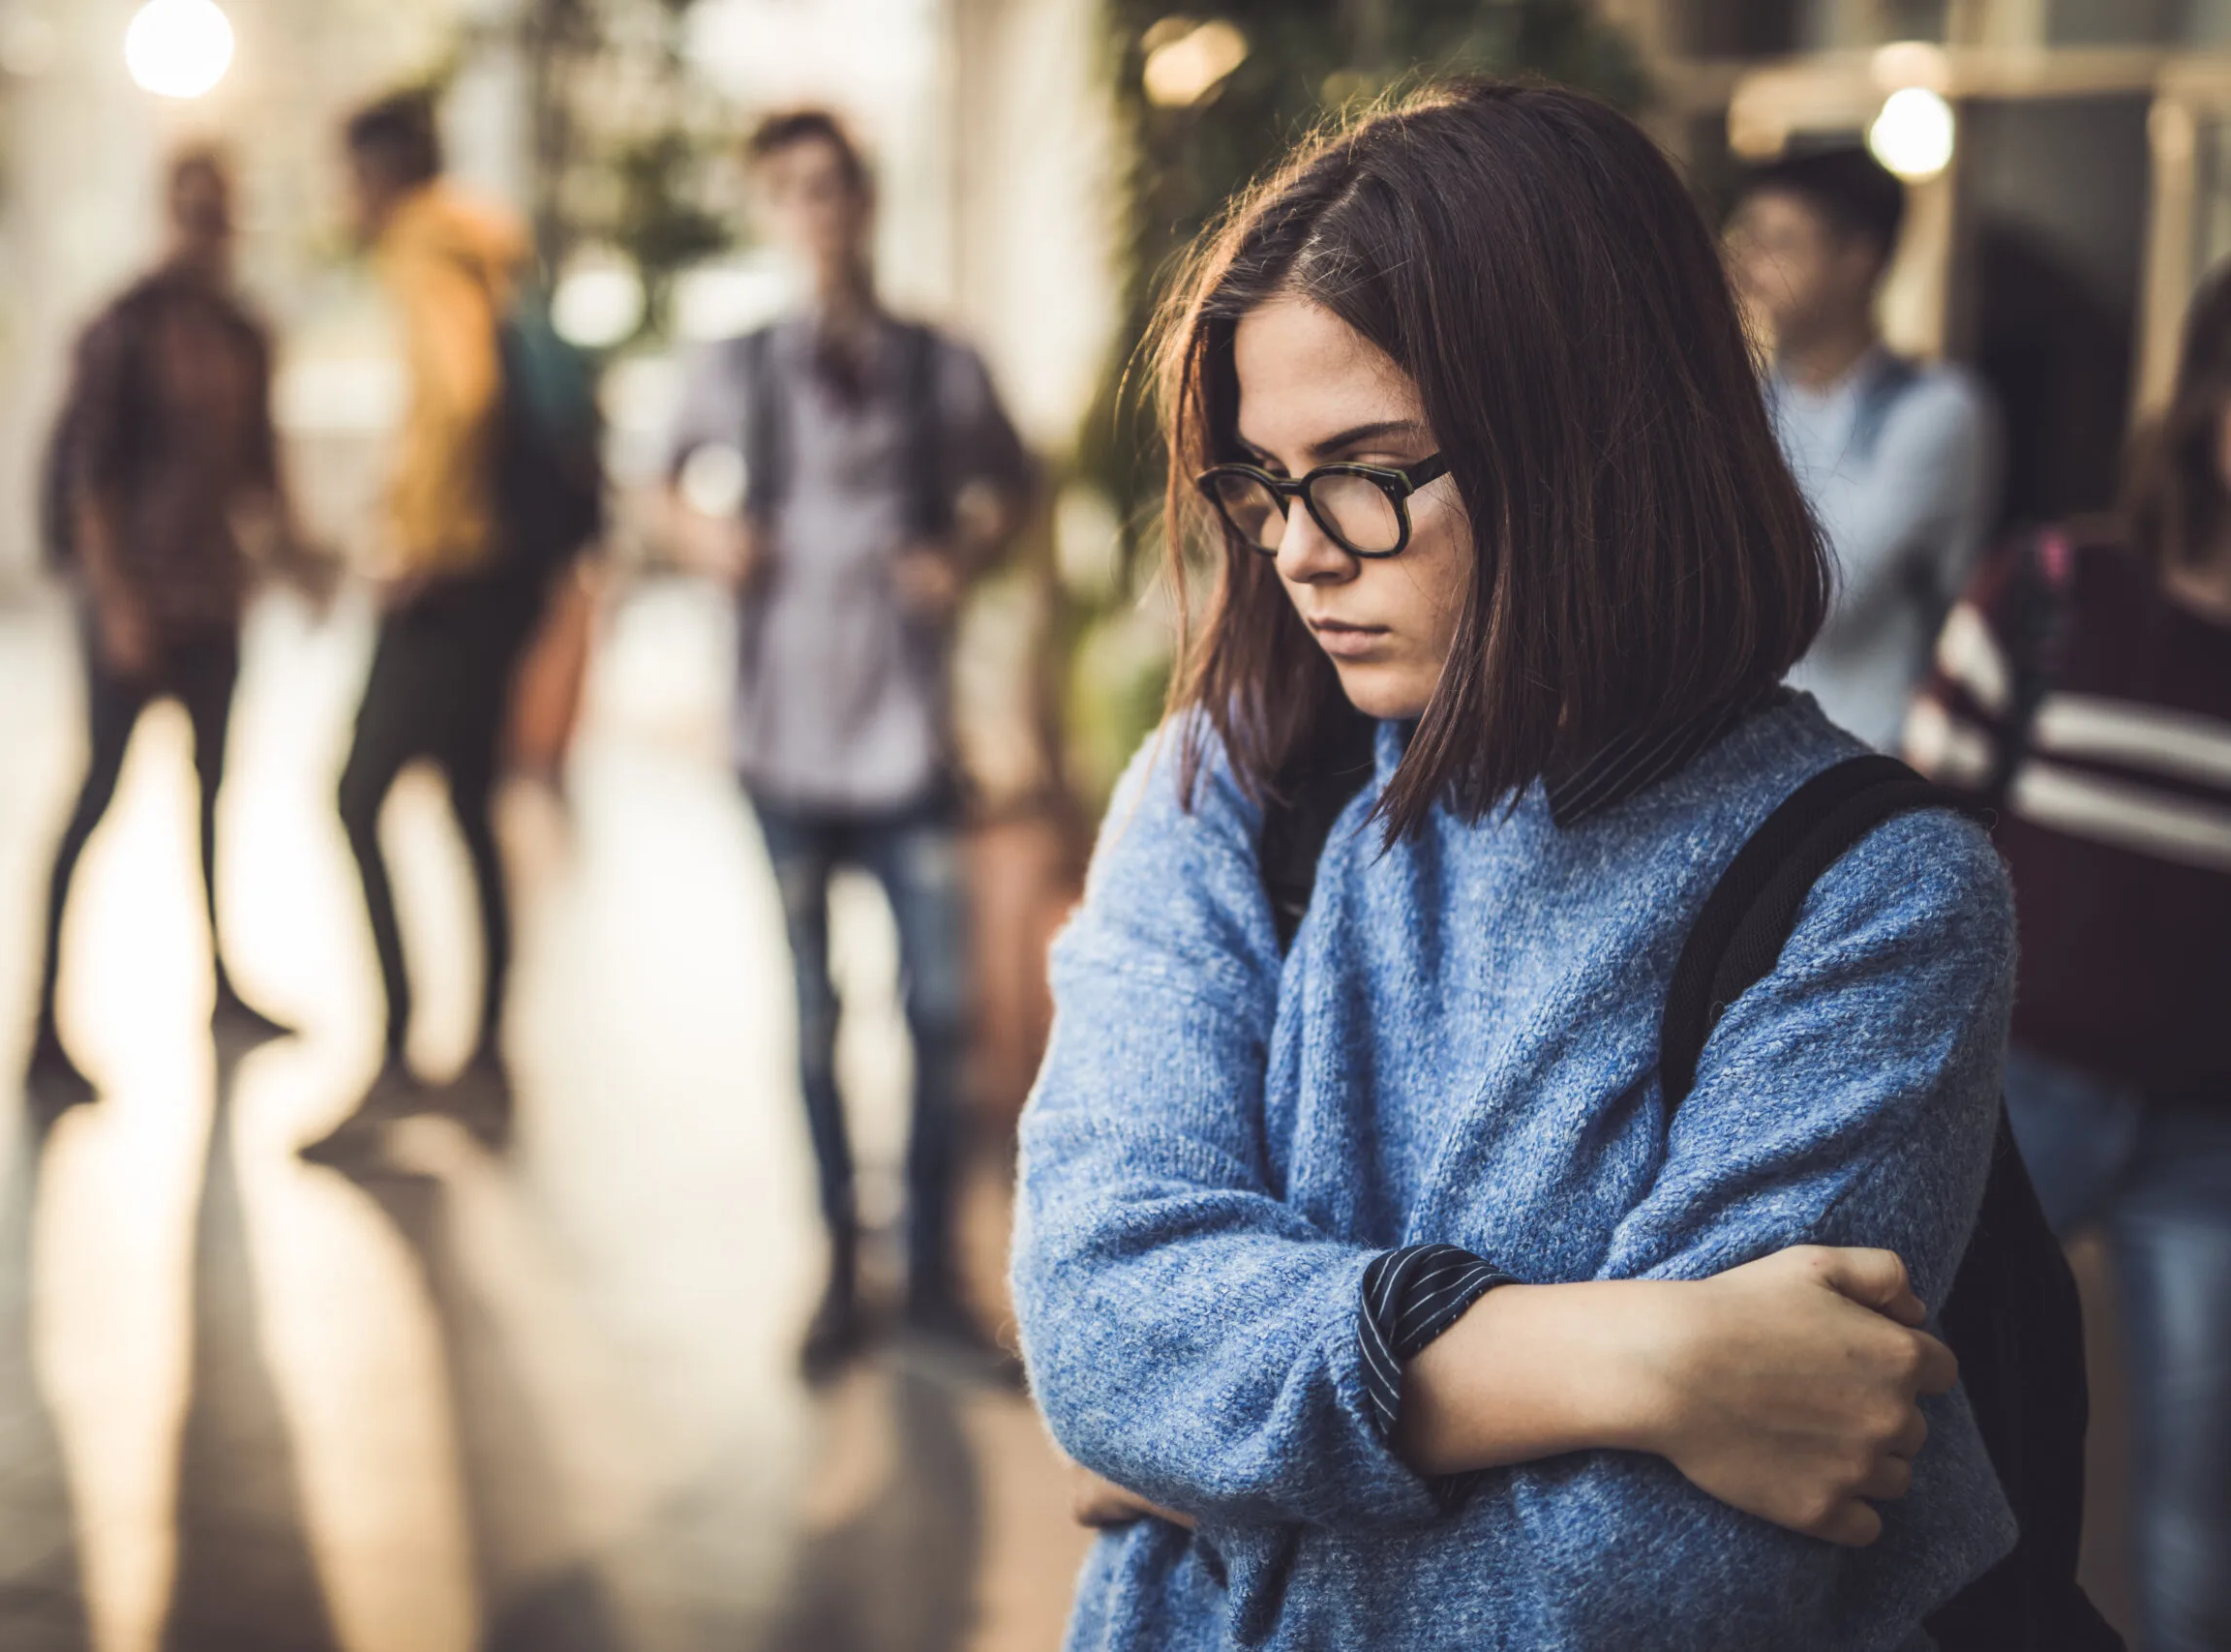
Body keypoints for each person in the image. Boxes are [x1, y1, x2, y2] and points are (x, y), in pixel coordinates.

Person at [1011, 83, 2020, 1647]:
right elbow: (1096, 1323)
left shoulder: (1869, 895)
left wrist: (1212, 1479)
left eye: (1366, 467)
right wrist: (1638, 1363)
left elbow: (1651, 1589)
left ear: (1591, 442)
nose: (1296, 551)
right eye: (1264, 482)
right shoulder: (1235, 777)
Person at [661, 108, 1030, 1376]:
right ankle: (838, 1260)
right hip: (783, 741)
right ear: (776, 213)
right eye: (791, 193)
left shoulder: (939, 363)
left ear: (866, 202)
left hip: (908, 740)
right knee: (812, 1013)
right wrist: (706, 540)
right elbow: (655, 484)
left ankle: (929, 1265)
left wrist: (961, 552)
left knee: (938, 1010)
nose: (816, 213)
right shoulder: (741, 366)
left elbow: (1015, 485)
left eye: (834, 189)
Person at [1905, 267, 2231, 1652]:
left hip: (2210, 1134)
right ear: (2206, 406)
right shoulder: (2051, 590)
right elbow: (1911, 849)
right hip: (2009, 1096)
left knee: (2199, 1505)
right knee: (1930, 1452)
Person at [28, 147, 304, 1099]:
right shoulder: (122, 329)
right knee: (96, 798)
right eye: (190, 210)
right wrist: (117, 605)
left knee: (213, 799)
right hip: (135, 606)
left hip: (213, 603)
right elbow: (87, 482)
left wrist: (299, 555)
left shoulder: (243, 331)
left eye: (218, 212)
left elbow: (264, 468)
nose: (205, 229)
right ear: (165, 212)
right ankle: (43, 1026)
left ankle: (221, 985)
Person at [324, 94, 540, 1119]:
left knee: (357, 797)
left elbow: (460, 399)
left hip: (447, 581)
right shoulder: (486, 243)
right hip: (499, 583)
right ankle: (487, 1054)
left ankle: (400, 1055)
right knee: (463, 806)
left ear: (382, 173)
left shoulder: (421, 250)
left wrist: (416, 544)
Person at [1730, 146, 2000, 751]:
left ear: (1859, 259)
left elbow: (1824, 596)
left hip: (1879, 756)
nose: (1753, 266)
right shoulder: (1753, 405)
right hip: (1759, 751)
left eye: (1783, 243)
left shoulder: (1938, 411)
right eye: (1750, 240)